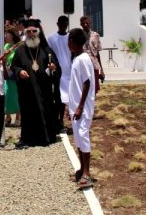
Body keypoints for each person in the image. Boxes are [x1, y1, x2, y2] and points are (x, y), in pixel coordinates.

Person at [11, 18, 60, 148]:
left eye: (34, 31)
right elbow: (14, 66)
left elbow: (56, 67)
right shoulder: (20, 50)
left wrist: (53, 68)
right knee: (28, 113)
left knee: (45, 110)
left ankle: (46, 138)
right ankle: (28, 139)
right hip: (27, 89)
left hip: (44, 89)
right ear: (26, 33)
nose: (31, 33)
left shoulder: (46, 49)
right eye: (29, 31)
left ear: (38, 33)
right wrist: (20, 71)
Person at [66, 27, 96, 190]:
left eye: (69, 40)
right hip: (75, 106)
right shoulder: (77, 59)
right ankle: (80, 169)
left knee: (83, 135)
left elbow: (87, 83)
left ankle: (87, 173)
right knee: (78, 137)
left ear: (72, 41)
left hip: (82, 107)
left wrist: (80, 106)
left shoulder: (83, 59)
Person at [48, 16, 72, 133]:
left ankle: (65, 120)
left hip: (69, 71)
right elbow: (49, 55)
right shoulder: (52, 38)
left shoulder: (70, 37)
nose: (63, 26)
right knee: (58, 99)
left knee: (68, 99)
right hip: (57, 73)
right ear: (57, 24)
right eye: (61, 24)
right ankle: (58, 121)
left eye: (65, 24)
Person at [3, 28, 24, 127]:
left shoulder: (20, 45)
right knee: (6, 94)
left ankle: (18, 117)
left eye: (7, 34)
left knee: (17, 95)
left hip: (16, 74)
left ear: (12, 35)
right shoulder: (6, 46)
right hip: (7, 74)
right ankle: (8, 116)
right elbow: (4, 57)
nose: (5, 36)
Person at [80, 16, 105, 93]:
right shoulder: (78, 35)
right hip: (83, 65)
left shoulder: (95, 35)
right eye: (83, 23)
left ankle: (91, 104)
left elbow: (97, 54)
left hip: (94, 65)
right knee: (83, 88)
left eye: (87, 23)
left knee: (94, 88)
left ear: (90, 23)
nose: (85, 25)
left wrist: (101, 69)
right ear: (80, 24)